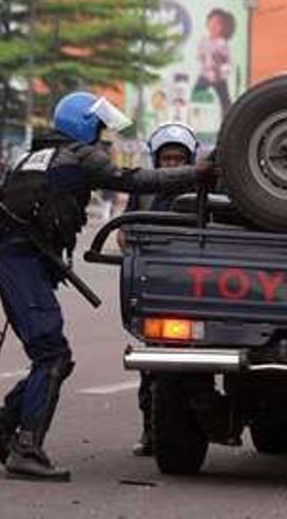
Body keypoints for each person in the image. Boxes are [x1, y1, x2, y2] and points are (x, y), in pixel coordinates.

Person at [0, 93, 212, 481]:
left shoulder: (31, 156)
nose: (101, 137)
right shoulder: (78, 155)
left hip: (18, 262)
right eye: (98, 128)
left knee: (52, 356)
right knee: (52, 356)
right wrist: (194, 174)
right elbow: (136, 180)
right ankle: (26, 447)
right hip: (25, 264)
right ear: (83, 126)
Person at [116, 122, 199, 457]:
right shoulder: (144, 191)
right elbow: (124, 232)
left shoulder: (203, 189)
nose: (173, 164)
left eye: (179, 158)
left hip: (193, 289)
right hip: (157, 289)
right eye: (167, 159)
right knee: (152, 368)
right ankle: (151, 431)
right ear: (157, 160)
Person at [193, 8, 236, 118]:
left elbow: (228, 62)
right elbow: (199, 55)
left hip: (219, 77)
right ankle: (194, 117)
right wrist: (201, 57)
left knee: (225, 100)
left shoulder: (223, 44)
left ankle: (227, 119)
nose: (213, 26)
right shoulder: (204, 40)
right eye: (211, 22)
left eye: (218, 24)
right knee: (196, 94)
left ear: (223, 28)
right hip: (205, 75)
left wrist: (223, 69)